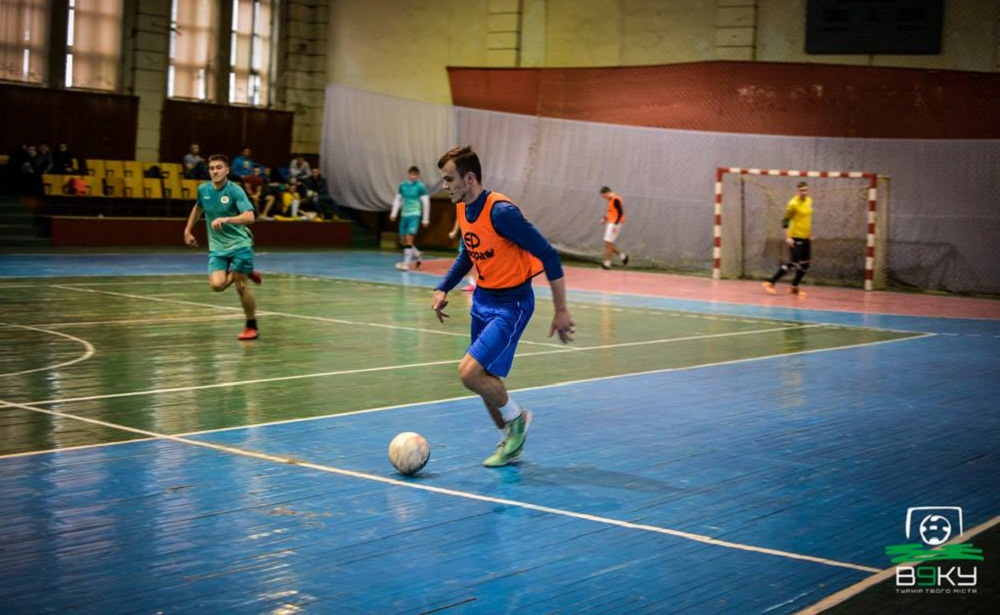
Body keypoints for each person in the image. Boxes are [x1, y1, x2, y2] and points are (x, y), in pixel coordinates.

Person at [432, 145, 575, 467]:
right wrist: (443, 287)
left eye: (449, 179)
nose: (444, 185)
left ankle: (518, 419)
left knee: (469, 373)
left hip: (513, 303)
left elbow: (549, 255)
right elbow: (468, 252)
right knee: (485, 377)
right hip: (483, 299)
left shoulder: (501, 212)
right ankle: (511, 439)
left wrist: (561, 309)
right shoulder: (463, 208)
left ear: (469, 179)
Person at [183, 154, 263, 340]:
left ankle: (251, 326)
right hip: (218, 247)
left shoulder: (235, 191)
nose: (215, 171)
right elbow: (198, 208)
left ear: (227, 170)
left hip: (240, 244)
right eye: (212, 168)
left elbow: (250, 217)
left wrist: (227, 219)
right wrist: (187, 230)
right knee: (217, 285)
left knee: (241, 286)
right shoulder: (203, 190)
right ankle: (244, 270)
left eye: (219, 167)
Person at [763, 181, 813, 297]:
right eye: (802, 190)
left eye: (805, 190)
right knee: (794, 263)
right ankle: (770, 282)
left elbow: (806, 219)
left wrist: (809, 234)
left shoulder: (809, 200)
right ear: (798, 191)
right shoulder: (792, 204)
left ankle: (794, 287)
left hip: (806, 237)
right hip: (795, 237)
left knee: (805, 264)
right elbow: (785, 221)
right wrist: (788, 237)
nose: (804, 192)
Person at [389, 165, 430, 270]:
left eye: (415, 175)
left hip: (414, 214)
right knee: (403, 241)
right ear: (408, 174)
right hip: (404, 215)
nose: (413, 176)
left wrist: (425, 219)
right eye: (412, 174)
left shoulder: (420, 187)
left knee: (409, 238)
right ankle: (417, 254)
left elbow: (426, 203)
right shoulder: (402, 186)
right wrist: (394, 213)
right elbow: (398, 200)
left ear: (418, 176)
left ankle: (406, 264)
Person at [599, 186, 629, 269]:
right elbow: (612, 212)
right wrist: (605, 218)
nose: (604, 198)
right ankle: (623, 256)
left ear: (607, 193)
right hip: (611, 222)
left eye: (604, 196)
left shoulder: (616, 199)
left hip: (615, 224)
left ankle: (607, 263)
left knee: (608, 243)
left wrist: (615, 225)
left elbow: (620, 213)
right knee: (608, 243)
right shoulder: (611, 199)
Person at [448, 218, 477, 291]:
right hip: (468, 235)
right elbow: (459, 217)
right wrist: (454, 231)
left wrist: (454, 231)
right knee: (466, 259)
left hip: (478, 234)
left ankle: (476, 283)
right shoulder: (463, 210)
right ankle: (473, 283)